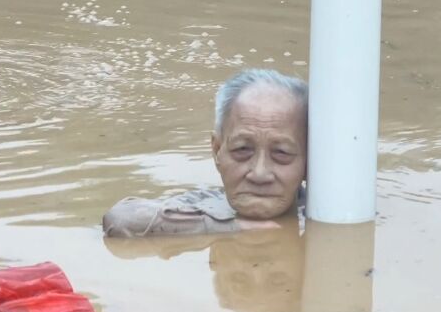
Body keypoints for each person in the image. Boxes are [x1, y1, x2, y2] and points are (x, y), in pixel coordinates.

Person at [102, 68, 308, 237]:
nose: (260, 174)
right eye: (242, 150)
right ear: (217, 150)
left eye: (282, 153)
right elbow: (121, 219)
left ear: (309, 163)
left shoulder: (328, 213)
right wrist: (231, 227)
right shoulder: (208, 205)